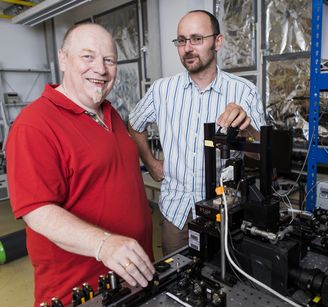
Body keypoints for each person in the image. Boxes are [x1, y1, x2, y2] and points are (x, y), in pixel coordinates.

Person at [6, 23, 155, 307]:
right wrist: (104, 244)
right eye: (88, 57)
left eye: (109, 60)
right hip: (81, 291)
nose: (100, 69)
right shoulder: (35, 124)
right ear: (63, 58)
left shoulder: (110, 112)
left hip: (133, 276)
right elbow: (37, 210)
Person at [129, 10, 266, 256]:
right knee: (178, 282)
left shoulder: (244, 92)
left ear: (218, 42)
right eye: (181, 40)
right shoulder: (162, 90)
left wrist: (248, 129)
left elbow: (261, 156)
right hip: (176, 212)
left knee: (225, 281)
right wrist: (151, 163)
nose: (187, 48)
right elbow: (134, 123)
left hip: (224, 210)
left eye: (196, 39)